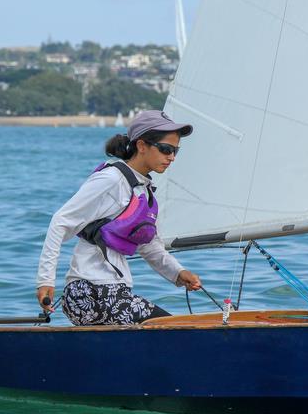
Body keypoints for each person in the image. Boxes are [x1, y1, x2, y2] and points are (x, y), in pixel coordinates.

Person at [36, 110, 202, 325]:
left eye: (175, 151)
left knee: (170, 331)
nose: (171, 157)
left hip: (114, 292)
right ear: (141, 146)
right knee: (171, 330)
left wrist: (178, 273)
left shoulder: (144, 190)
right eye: (165, 149)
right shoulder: (111, 179)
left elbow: (149, 246)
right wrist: (46, 280)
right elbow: (60, 222)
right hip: (89, 292)